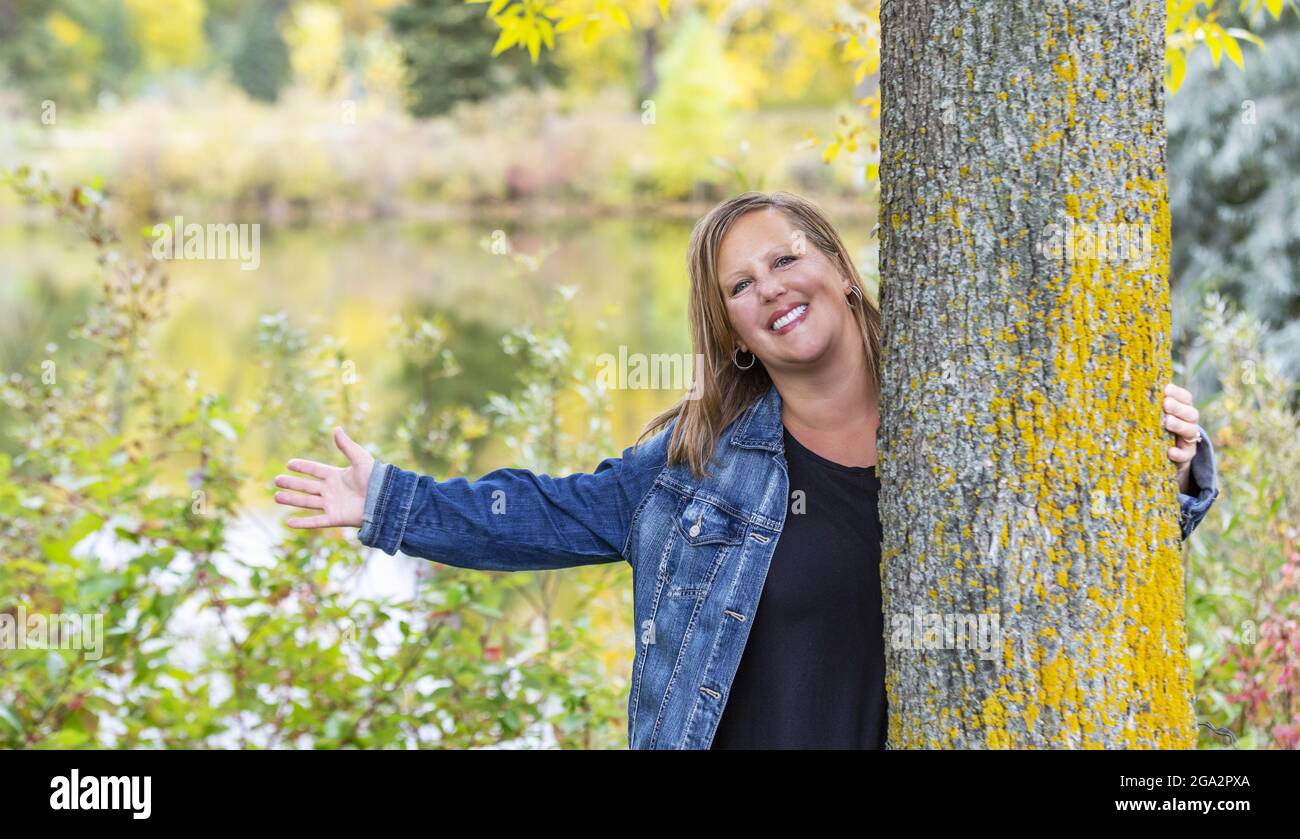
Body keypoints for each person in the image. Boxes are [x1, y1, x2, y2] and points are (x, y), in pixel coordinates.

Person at [272, 191, 1220, 749]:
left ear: (841, 271)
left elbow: (1083, 571)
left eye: (784, 259)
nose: (770, 288)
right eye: (739, 285)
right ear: (729, 328)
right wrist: (390, 502)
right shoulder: (692, 468)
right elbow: (543, 513)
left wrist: (1167, 481)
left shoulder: (973, 433)